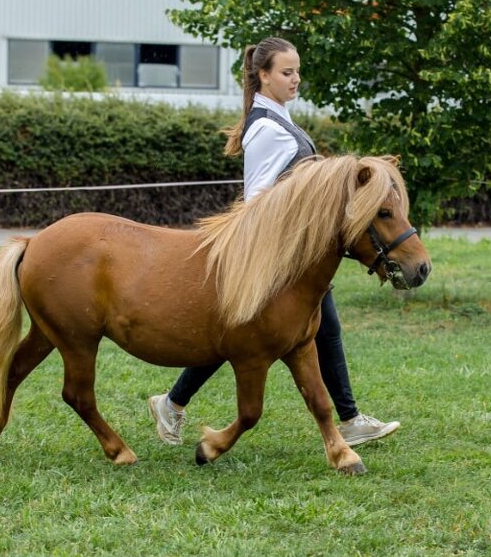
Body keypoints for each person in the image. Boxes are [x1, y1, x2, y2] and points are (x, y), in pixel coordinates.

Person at [148, 37, 400, 447]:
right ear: (263, 75)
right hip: (278, 255)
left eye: (297, 71)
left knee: (307, 330)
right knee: (277, 334)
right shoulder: (267, 128)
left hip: (297, 253)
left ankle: (172, 403)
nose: (295, 78)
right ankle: (348, 420)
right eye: (286, 72)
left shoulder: (279, 119)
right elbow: (258, 198)